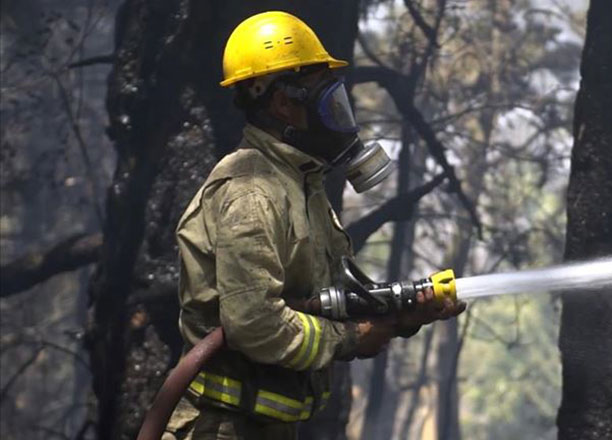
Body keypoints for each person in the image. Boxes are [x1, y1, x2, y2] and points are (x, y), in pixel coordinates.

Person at [163, 11, 466, 440]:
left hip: (267, 428)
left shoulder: (301, 185)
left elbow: (319, 301)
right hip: (222, 430)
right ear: (285, 103)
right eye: (329, 102)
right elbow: (255, 324)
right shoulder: (253, 192)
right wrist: (350, 339)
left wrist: (399, 313)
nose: (340, 118)